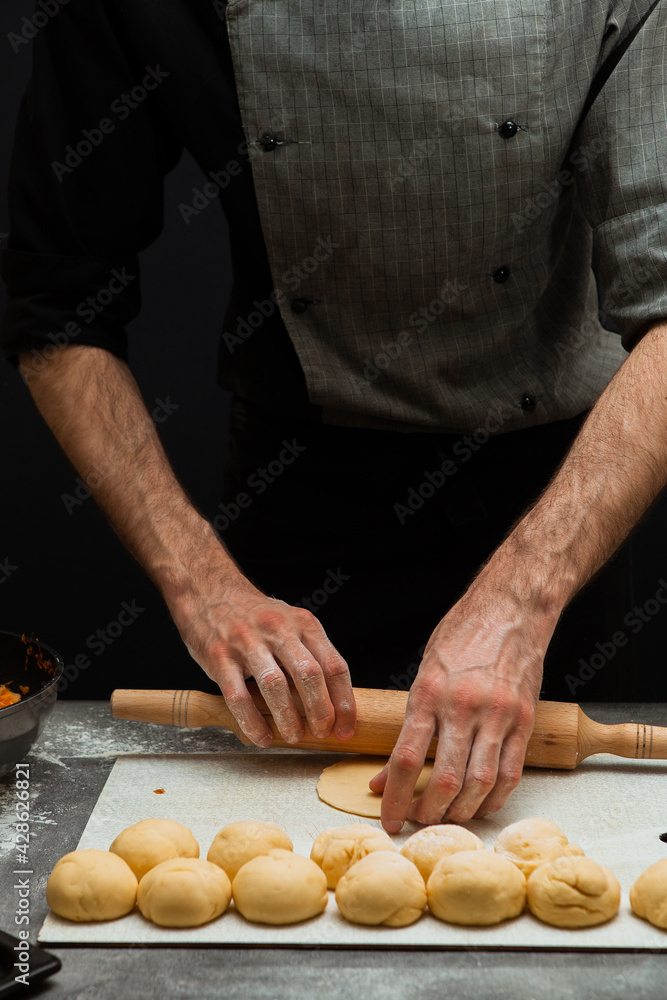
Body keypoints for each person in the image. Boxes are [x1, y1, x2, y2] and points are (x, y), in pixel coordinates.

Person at [2, 0, 667, 834]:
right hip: (302, 504)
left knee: (574, 853)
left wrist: (522, 602)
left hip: (563, 497)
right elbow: (56, 307)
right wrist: (201, 584)